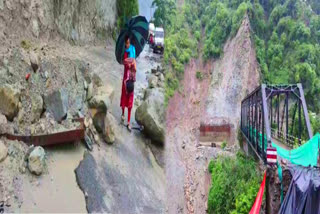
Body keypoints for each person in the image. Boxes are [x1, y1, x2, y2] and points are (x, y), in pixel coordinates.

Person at [121, 35, 136, 131]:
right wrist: (126, 63)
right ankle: (122, 113)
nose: (128, 44)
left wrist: (132, 65)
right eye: (126, 43)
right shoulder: (124, 52)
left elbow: (135, 69)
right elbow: (123, 62)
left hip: (131, 79)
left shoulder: (133, 50)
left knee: (130, 100)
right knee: (124, 97)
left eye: (129, 43)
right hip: (125, 79)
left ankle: (129, 122)